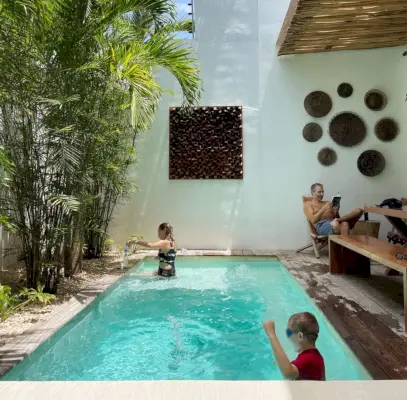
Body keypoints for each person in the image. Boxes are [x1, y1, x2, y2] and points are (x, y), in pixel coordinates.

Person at [263, 312, 325, 381]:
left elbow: (288, 373)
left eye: (288, 332)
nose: (288, 336)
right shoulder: (314, 355)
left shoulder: (308, 358)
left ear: (300, 336)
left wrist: (271, 334)